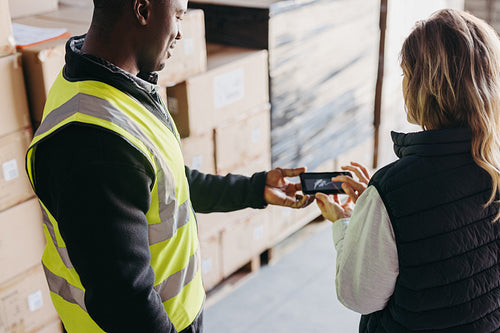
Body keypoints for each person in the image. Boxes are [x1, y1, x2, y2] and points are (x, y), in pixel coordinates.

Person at [25, 0, 313, 332]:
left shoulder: (117, 85)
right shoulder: (94, 144)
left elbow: (167, 183)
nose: (179, 32)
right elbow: (123, 299)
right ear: (143, 10)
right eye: (177, 15)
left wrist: (255, 188)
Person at [315, 9, 500, 332]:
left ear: (423, 87)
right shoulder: (493, 164)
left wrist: (346, 221)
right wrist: (373, 211)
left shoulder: (392, 188)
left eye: (404, 74)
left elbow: (359, 296)